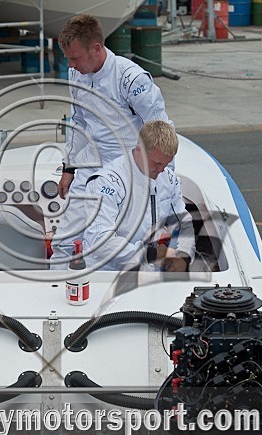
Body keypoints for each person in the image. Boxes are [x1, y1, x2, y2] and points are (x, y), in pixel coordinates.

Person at [51, 14, 173, 266]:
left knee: (118, 242)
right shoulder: (76, 75)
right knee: (64, 241)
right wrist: (69, 168)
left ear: (96, 48)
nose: (71, 66)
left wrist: (164, 181)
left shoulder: (131, 80)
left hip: (127, 168)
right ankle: (58, 292)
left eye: (75, 58)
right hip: (91, 164)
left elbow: (161, 129)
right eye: (68, 59)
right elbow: (78, 122)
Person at [82, 121, 195, 272]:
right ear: (139, 150)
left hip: (147, 270)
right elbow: (99, 240)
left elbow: (183, 222)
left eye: (166, 164)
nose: (161, 170)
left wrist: (184, 256)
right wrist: (150, 254)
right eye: (156, 163)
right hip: (105, 274)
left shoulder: (168, 178)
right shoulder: (105, 183)